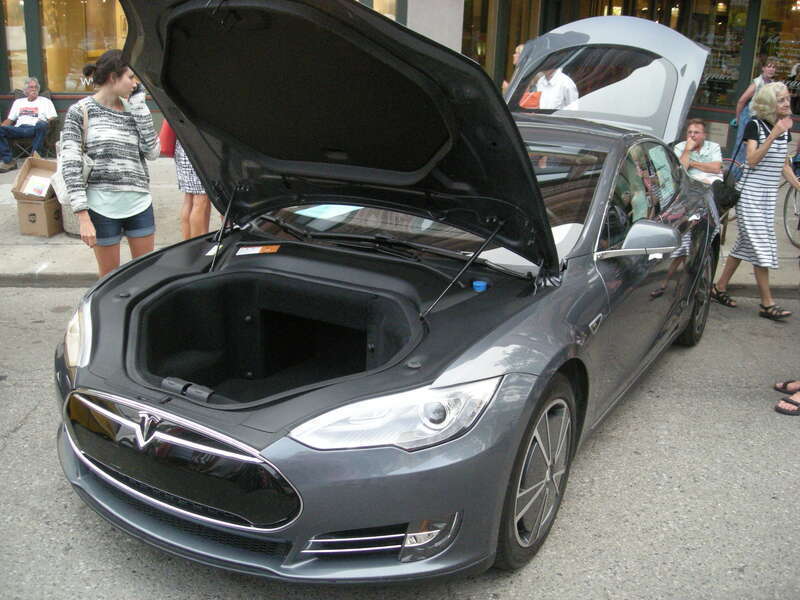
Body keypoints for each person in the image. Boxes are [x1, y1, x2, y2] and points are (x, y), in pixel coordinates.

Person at [61, 49, 160, 278]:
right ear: (113, 77)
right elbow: (71, 164)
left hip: (139, 203)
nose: (135, 83)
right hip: (101, 207)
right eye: (131, 77)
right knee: (109, 277)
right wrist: (82, 215)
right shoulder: (81, 111)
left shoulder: (133, 108)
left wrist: (140, 108)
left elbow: (153, 152)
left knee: (145, 274)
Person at [711, 82, 800, 320]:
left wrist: (798, 185)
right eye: (781, 100)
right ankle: (767, 304)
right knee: (761, 247)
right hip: (750, 193)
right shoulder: (755, 126)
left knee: (744, 244)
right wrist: (773, 135)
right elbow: (751, 160)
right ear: (770, 104)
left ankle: (718, 287)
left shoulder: (785, 130)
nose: (786, 103)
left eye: (787, 99)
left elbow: (782, 166)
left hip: (768, 196)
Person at [0, 76, 57, 172]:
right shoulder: (18, 102)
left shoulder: (45, 101)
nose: (34, 89)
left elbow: (53, 116)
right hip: (19, 129)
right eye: (31, 87)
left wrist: (45, 122)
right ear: (25, 90)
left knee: (41, 125)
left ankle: (35, 158)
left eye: (36, 87)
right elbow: (10, 119)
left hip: (35, 128)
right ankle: (8, 161)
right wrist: (2, 127)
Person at [732, 58, 776, 168]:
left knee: (756, 147)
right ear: (763, 68)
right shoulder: (757, 83)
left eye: (774, 67)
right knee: (742, 147)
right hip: (749, 117)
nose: (771, 69)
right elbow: (741, 101)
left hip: (762, 119)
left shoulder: (772, 84)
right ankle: (733, 176)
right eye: (769, 66)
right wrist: (738, 119)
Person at [175, 139, 211, 239]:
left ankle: (188, 244)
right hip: (199, 148)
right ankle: (197, 245)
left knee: (189, 199)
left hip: (183, 147)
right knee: (200, 200)